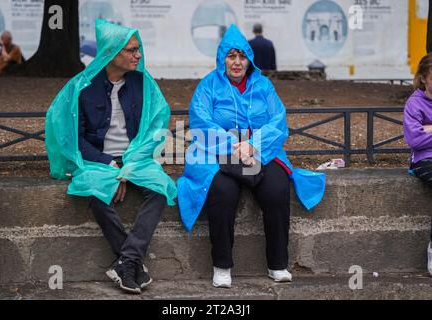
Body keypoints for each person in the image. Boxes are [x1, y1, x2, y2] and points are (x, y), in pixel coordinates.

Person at [177, 24, 326, 288]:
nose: (237, 62)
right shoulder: (208, 86)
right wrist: (235, 145)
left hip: (261, 152)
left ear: (250, 59)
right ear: (222, 58)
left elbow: (278, 122)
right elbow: (201, 122)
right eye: (231, 56)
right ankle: (222, 265)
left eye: (242, 56)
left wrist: (253, 145)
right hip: (218, 154)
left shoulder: (264, 86)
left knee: (278, 189)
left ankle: (277, 264)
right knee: (223, 192)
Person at [45, 19, 177, 294]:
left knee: (159, 187)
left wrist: (127, 167)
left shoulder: (144, 83)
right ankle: (132, 264)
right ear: (111, 52)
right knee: (93, 189)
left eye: (138, 49)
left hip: (136, 158)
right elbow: (73, 137)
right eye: (131, 50)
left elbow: (156, 127)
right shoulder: (81, 86)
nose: (138, 55)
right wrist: (110, 164)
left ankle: (125, 262)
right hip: (96, 159)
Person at [403, 53, 432, 277]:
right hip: (425, 160)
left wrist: (429, 128)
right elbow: (415, 140)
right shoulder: (415, 103)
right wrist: (424, 131)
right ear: (424, 78)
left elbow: (423, 133)